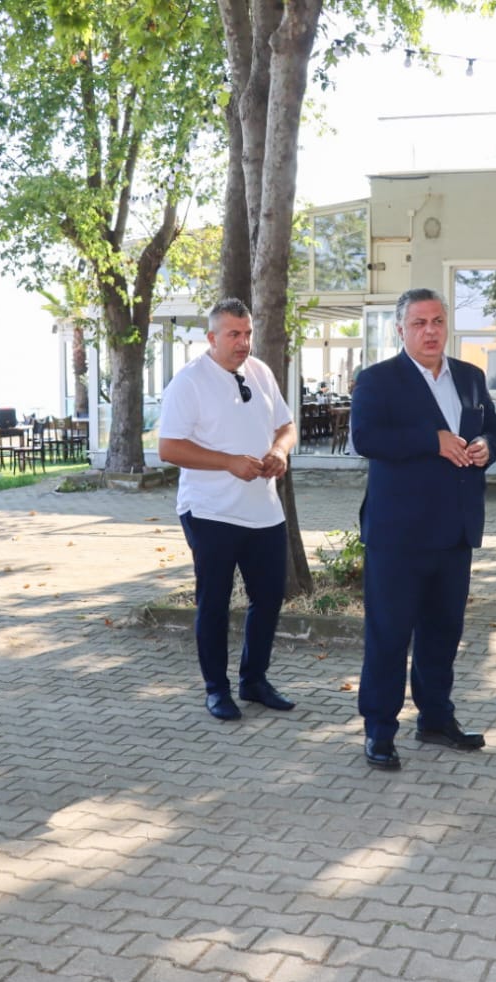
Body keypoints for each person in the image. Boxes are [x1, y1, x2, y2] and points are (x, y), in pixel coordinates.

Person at [349, 288, 496, 770]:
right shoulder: (378, 379)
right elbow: (365, 438)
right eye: (419, 323)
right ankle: (379, 730)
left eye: (437, 321)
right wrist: (430, 440)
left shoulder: (471, 377)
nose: (430, 331)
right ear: (401, 330)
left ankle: (435, 719)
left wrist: (486, 446)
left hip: (455, 532)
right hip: (399, 535)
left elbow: (494, 428)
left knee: (442, 633)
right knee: (389, 636)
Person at [155, 298, 298, 721]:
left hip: (264, 510)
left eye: (247, 333)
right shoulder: (189, 382)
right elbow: (169, 448)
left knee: (268, 598)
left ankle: (254, 680)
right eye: (234, 334)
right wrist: (228, 462)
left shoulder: (261, 372)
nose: (243, 342)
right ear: (211, 337)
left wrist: (279, 451)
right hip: (209, 511)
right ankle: (216, 690)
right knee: (214, 603)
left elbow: (286, 426)